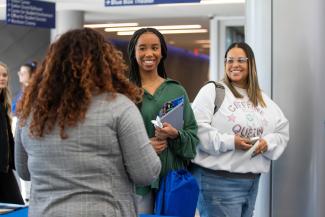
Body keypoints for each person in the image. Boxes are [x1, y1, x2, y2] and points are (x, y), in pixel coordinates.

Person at [14, 28, 161, 217]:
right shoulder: (119, 107)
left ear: (51, 65)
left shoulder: (30, 111)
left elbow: (24, 172)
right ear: (105, 63)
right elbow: (146, 173)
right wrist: (144, 148)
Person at [191, 42, 289, 217]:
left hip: (252, 181)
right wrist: (231, 142)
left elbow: (282, 131)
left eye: (241, 60)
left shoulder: (260, 98)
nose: (234, 65)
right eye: (230, 60)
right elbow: (196, 129)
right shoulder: (212, 91)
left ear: (250, 64)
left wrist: (268, 142)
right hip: (217, 181)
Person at [127, 27, 199, 214]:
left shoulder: (176, 90)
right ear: (133, 53)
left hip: (172, 183)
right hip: (138, 184)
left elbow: (192, 141)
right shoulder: (124, 92)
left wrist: (175, 135)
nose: (149, 53)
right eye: (142, 48)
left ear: (162, 52)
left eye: (155, 48)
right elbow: (112, 141)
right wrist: (143, 146)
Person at [0, 61, 24, 204]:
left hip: (5, 169)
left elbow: (9, 139)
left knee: (17, 205)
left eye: (4, 75)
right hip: (3, 169)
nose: (2, 78)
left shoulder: (3, 104)